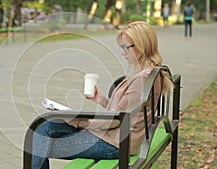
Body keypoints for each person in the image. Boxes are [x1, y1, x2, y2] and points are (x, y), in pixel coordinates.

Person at [31, 20, 173, 169]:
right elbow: (126, 112)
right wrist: (102, 100)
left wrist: (77, 120)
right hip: (113, 136)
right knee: (43, 128)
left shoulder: (142, 79)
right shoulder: (147, 73)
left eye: (126, 47)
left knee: (37, 143)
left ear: (142, 46)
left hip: (114, 144)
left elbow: (115, 120)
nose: (122, 52)